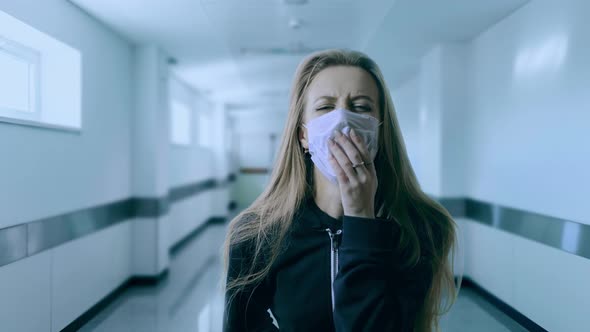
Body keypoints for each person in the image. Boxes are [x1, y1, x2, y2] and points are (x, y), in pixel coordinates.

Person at [222, 49, 458, 332]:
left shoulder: (422, 228)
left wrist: (361, 218)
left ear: (380, 131)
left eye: (360, 107)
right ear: (303, 135)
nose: (342, 121)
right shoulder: (255, 234)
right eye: (325, 107)